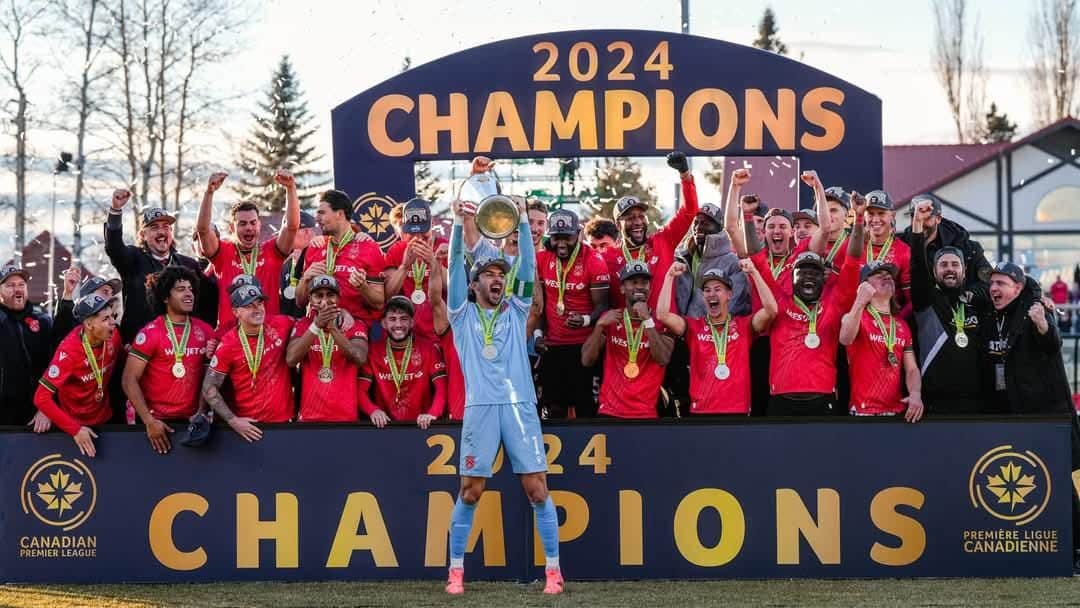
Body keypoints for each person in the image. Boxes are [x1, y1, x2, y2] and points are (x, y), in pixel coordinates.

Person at [444, 194, 563, 595]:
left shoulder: (515, 309)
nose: (497, 278)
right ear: (475, 283)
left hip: (519, 408)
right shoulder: (461, 315)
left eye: (500, 273)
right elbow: (452, 270)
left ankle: (553, 572)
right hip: (480, 410)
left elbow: (527, 265)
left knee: (537, 489)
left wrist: (525, 223)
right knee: (470, 490)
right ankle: (456, 572)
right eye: (489, 274)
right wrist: (460, 223)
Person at [767, 193, 867, 415]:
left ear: (826, 277)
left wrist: (859, 218)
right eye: (802, 273)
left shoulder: (834, 302)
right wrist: (744, 213)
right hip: (781, 397)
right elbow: (754, 255)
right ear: (790, 278)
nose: (808, 278)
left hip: (823, 396)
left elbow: (853, 260)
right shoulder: (780, 300)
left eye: (815, 272)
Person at [657, 259, 777, 414]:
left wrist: (754, 273)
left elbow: (771, 310)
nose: (711, 294)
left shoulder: (744, 326)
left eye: (717, 289)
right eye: (706, 290)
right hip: (701, 412)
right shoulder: (693, 326)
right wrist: (669, 276)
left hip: (737, 411)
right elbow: (662, 315)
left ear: (729, 294)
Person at [123, 266, 214, 453]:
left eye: (190, 289)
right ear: (165, 297)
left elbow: (210, 377)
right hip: (157, 424)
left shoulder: (205, 331)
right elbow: (128, 380)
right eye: (181, 289)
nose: (189, 294)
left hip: (192, 423)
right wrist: (149, 421)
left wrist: (202, 411)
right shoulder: (150, 333)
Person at [196, 170, 300, 332]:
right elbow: (203, 230)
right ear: (232, 227)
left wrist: (291, 188)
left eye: (252, 223)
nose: (249, 228)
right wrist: (209, 193)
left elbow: (292, 226)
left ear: (259, 225)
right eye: (242, 224)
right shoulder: (223, 252)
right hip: (231, 336)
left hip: (267, 336)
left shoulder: (272, 251)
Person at [909, 200, 987, 414]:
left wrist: (1036, 295)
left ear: (964, 271)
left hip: (975, 404)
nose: (949, 269)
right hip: (936, 404)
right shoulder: (927, 301)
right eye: (943, 265)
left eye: (955, 264)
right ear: (934, 272)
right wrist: (917, 222)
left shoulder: (976, 304)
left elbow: (1005, 285)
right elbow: (916, 264)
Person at [535, 209, 610, 419]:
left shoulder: (594, 260)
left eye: (566, 237)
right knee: (553, 409)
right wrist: (538, 335)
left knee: (585, 407)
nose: (560, 243)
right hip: (552, 346)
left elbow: (603, 306)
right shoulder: (542, 258)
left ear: (577, 234)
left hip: (583, 347)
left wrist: (585, 320)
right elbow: (540, 305)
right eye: (556, 237)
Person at [602, 151, 699, 311]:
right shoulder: (607, 257)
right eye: (630, 218)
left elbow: (690, 212)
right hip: (626, 333)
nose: (638, 222)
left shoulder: (662, 242)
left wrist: (685, 175)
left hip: (662, 333)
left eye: (641, 216)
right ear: (618, 224)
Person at [106, 189, 206, 342]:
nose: (161, 232)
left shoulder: (188, 264)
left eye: (166, 227)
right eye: (154, 228)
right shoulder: (133, 260)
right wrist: (116, 210)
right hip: (139, 346)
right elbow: (114, 247)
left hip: (180, 344)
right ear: (143, 235)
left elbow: (203, 303)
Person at [202, 280, 295, 441]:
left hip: (284, 424)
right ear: (236, 312)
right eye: (249, 306)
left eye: (259, 303)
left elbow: (309, 325)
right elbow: (208, 388)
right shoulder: (228, 344)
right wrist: (233, 421)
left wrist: (343, 313)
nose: (257, 309)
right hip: (250, 428)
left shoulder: (281, 323)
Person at [581, 261, 675, 418]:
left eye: (644, 283)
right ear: (622, 288)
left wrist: (647, 320)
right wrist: (599, 326)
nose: (639, 287)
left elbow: (663, 359)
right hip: (609, 411)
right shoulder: (611, 319)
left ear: (650, 288)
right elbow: (587, 360)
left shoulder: (660, 323)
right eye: (633, 282)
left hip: (644, 414)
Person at [980, 262, 1075, 414]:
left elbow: (1054, 346)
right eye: (991, 283)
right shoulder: (988, 311)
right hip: (999, 409)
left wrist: (1043, 326)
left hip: (1033, 410)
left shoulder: (1036, 308)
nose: (993, 288)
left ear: (1017, 289)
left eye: (1000, 283)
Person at [33, 294, 120, 458]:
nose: (113, 323)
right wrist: (75, 430)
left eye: (112, 316)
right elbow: (41, 398)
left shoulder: (113, 336)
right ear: (89, 324)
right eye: (105, 319)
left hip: (106, 421)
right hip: (73, 427)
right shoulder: (69, 352)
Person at [839, 262, 924, 421]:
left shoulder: (902, 325)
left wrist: (915, 393)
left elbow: (912, 369)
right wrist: (859, 301)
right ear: (864, 286)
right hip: (863, 412)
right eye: (879, 276)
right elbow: (845, 338)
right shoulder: (856, 317)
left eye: (889, 276)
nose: (887, 277)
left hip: (896, 412)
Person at [297, 189, 386, 327]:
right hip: (317, 329)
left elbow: (379, 303)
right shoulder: (315, 247)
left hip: (352, 328)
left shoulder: (369, 248)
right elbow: (300, 301)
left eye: (322, 212)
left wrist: (363, 287)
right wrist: (305, 279)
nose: (316, 218)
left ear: (339, 214)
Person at [286, 275, 369, 422]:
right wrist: (316, 326)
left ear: (339, 298)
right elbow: (291, 359)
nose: (324, 300)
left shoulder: (354, 325)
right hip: (310, 418)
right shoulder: (303, 325)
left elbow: (360, 358)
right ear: (310, 300)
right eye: (319, 295)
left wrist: (332, 328)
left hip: (346, 418)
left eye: (330, 295)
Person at [357, 295, 447, 427]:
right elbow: (360, 391)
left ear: (412, 322)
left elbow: (442, 388)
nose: (398, 325)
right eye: (392, 319)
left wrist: (432, 414)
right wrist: (373, 410)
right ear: (384, 323)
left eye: (404, 319)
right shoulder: (372, 352)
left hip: (421, 426)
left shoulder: (429, 349)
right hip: (385, 428)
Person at [382, 198, 450, 340]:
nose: (418, 237)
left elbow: (456, 290)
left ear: (431, 224)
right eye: (413, 233)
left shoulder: (444, 247)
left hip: (440, 329)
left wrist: (434, 262)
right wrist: (404, 267)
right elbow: (387, 295)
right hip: (408, 332)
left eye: (423, 233)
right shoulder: (397, 250)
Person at [0, 264, 54, 428]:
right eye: (10, 285)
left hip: (37, 416)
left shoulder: (44, 321)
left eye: (21, 285)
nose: (17, 289)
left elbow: (55, 367)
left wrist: (48, 409)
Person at [898, 193, 992, 286]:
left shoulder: (967, 248)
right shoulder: (899, 245)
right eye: (915, 217)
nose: (920, 222)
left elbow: (988, 282)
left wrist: (966, 296)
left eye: (926, 217)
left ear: (938, 219)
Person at [53, 269, 121, 343]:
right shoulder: (72, 321)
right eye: (105, 292)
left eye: (112, 293)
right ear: (89, 296)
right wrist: (68, 292)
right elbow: (64, 317)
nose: (110, 297)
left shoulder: (113, 326)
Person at [279, 211, 318, 318]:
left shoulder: (319, 257)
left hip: (309, 323)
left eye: (291, 232)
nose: (285, 236)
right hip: (284, 322)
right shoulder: (282, 259)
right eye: (284, 232)